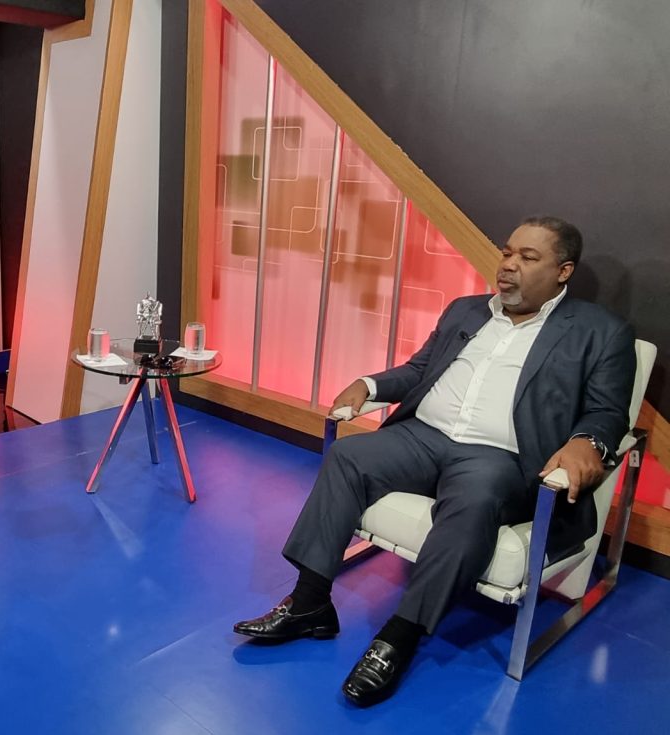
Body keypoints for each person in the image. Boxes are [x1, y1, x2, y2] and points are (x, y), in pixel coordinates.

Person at [233, 216, 635, 706]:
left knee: (476, 499)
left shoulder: (600, 331)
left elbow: (607, 412)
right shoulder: (466, 310)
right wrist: (370, 385)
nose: (509, 264)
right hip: (423, 437)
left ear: (563, 271)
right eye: (507, 252)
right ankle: (309, 603)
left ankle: (399, 637)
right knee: (348, 456)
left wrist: (588, 441)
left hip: (500, 457)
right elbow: (421, 369)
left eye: (528, 257)